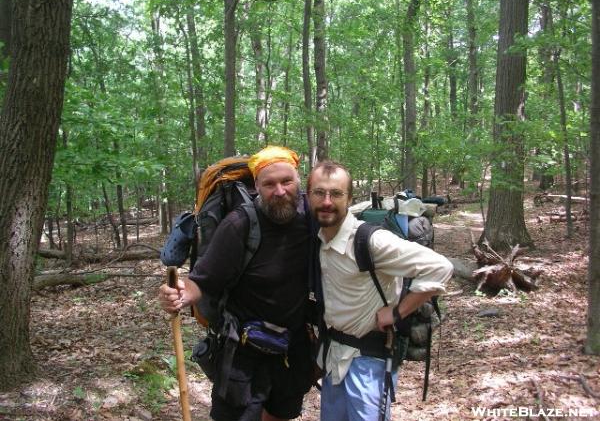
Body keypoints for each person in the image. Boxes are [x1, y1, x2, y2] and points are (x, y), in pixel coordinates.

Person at [158, 146, 313, 421]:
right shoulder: (239, 224)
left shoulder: (312, 218)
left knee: (280, 415)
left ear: (298, 180)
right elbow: (203, 281)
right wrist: (181, 293)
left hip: (292, 349)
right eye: (269, 184)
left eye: (286, 182)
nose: (279, 191)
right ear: (257, 186)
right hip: (244, 354)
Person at [307, 160, 453, 421]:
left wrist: (398, 312)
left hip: (369, 364)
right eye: (319, 192)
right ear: (308, 197)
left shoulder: (371, 241)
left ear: (349, 198)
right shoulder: (319, 238)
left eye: (336, 193)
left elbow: (440, 267)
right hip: (333, 359)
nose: (327, 201)